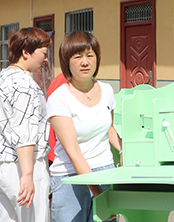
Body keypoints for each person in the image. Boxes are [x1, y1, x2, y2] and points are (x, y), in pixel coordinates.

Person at [47, 31, 122, 222]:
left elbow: (109, 128)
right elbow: (73, 152)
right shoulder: (59, 98)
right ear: (66, 61)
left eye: (90, 55)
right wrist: (97, 191)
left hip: (105, 170)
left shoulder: (106, 90)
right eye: (77, 56)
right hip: (70, 178)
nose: (85, 62)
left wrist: (123, 151)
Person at [0, 27, 51, 222]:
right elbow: (25, 131)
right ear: (26, 52)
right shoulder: (24, 84)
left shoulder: (0, 79)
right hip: (21, 167)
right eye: (44, 53)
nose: (46, 60)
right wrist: (27, 174)